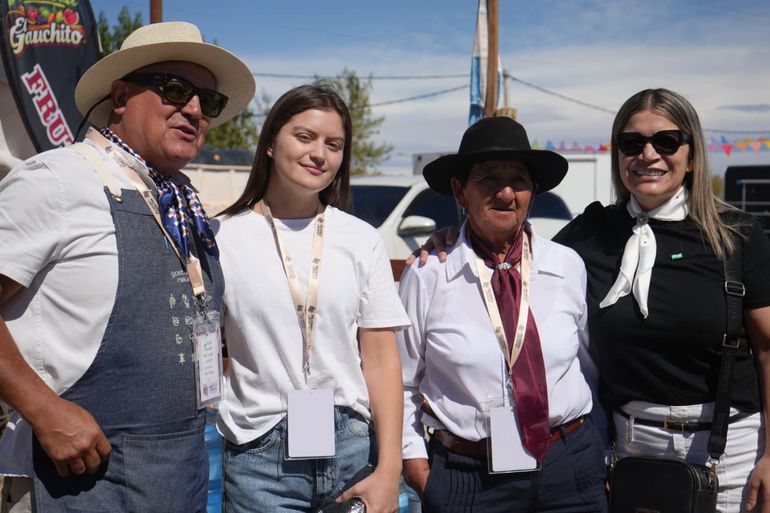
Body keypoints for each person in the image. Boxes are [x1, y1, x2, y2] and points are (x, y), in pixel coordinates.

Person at [0, 21, 255, 512]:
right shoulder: (57, 180)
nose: (195, 109)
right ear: (120, 96)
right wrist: (42, 408)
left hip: (175, 478)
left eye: (208, 100)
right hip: (76, 483)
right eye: (175, 90)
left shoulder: (184, 207)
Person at [553, 88, 770, 513]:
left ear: (692, 157)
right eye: (632, 143)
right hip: (630, 453)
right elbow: (515, 256)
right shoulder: (592, 232)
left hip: (732, 455)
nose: (648, 154)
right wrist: (449, 241)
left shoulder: (738, 235)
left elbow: (767, 350)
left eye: (666, 141)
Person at [213, 84, 410, 513]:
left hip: (353, 450)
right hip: (259, 455)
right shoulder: (222, 236)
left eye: (333, 145)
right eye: (304, 137)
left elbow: (381, 360)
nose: (319, 154)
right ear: (270, 143)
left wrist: (390, 469)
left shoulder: (361, 239)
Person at [398, 116, 607, 513]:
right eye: (489, 179)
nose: (506, 193)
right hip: (469, 475)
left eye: (519, 180)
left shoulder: (566, 266)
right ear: (460, 191)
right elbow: (402, 382)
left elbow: (588, 368)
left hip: (568, 468)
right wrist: (416, 465)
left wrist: (597, 450)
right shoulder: (429, 275)